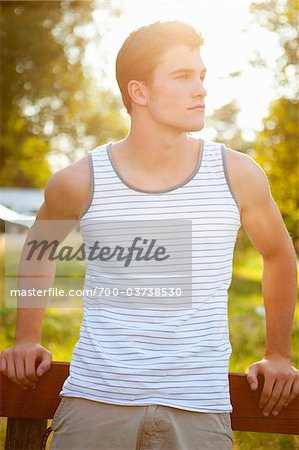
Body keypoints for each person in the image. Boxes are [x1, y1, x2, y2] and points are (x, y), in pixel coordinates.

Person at [1, 21, 298, 450]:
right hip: (95, 403)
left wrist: (278, 355)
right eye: (182, 77)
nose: (200, 89)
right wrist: (27, 338)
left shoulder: (238, 174)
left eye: (201, 76)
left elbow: (278, 255)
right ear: (138, 92)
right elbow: (37, 249)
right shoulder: (78, 180)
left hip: (198, 407)